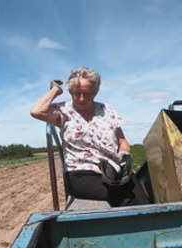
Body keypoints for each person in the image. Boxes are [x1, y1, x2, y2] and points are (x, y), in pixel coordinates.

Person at [30, 66, 150, 207]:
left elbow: (122, 141)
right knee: (124, 196)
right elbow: (36, 111)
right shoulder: (63, 111)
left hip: (112, 171)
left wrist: (123, 154)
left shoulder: (107, 109)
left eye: (86, 93)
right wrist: (55, 90)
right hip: (81, 174)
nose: (81, 98)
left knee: (141, 196)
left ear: (95, 92)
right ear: (70, 92)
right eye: (76, 93)